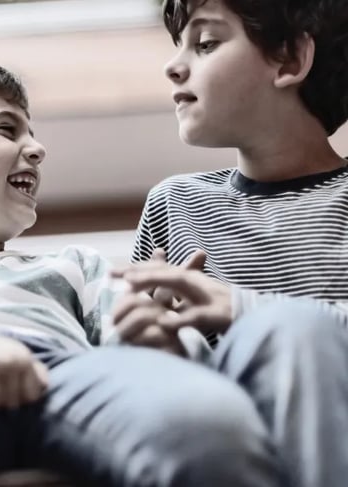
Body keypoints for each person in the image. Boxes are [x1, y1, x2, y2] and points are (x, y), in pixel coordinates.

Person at [0, 63, 286, 487]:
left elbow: (142, 355)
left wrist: (166, 341)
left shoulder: (77, 264)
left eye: (32, 133)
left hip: (68, 376)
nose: (37, 149)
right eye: (7, 129)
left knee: (207, 422)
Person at [114, 1, 348, 485]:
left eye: (206, 44)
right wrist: (152, 342)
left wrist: (243, 308)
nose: (173, 66)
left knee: (293, 329)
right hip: (226, 444)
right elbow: (135, 372)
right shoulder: (174, 205)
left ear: (289, 60)